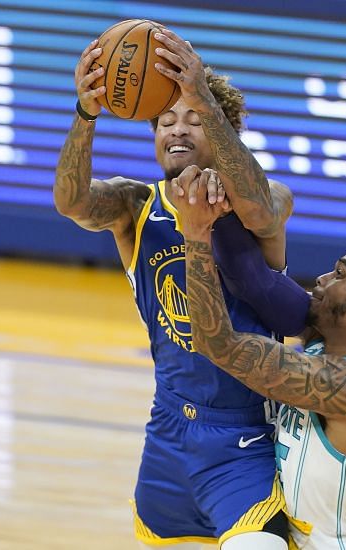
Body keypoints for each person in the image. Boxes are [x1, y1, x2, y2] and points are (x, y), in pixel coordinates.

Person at [53, 26, 308, 549]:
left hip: (244, 434)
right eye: (166, 120)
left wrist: (201, 95)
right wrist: (85, 114)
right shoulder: (134, 205)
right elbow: (72, 202)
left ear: (223, 132)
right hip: (167, 429)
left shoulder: (265, 198)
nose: (178, 130)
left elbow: (260, 208)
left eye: (194, 118)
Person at [173, 176, 346, 549]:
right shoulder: (326, 335)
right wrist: (216, 204)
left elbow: (216, 343)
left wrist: (196, 233)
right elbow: (256, 281)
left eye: (339, 274)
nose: (320, 280)